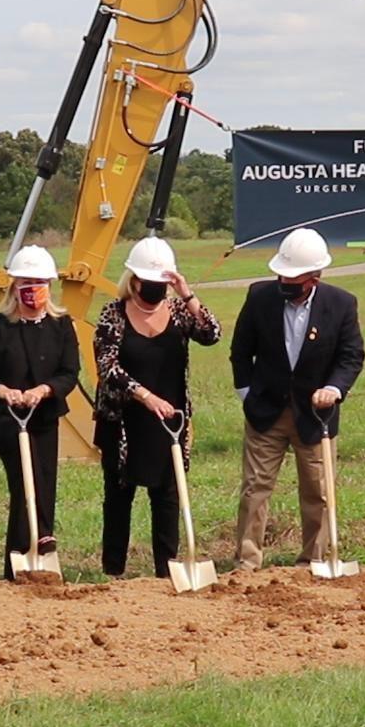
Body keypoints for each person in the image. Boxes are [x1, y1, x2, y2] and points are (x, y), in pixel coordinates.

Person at [228, 227, 365, 571]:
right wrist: (247, 395)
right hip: (266, 412)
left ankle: (313, 559)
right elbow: (241, 352)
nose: (285, 283)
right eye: (282, 276)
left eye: (294, 278)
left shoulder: (341, 304)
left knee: (318, 491)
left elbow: (351, 356)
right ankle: (247, 561)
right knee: (254, 488)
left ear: (315, 277)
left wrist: (334, 389)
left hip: (316, 417)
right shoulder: (259, 297)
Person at [92, 236, 220, 578]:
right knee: (118, 498)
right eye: (150, 284)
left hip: (169, 422)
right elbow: (107, 368)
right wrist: (145, 396)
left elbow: (212, 334)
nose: (156, 290)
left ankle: (168, 570)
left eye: (162, 284)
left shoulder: (178, 312)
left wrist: (187, 294)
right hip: (124, 421)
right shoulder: (112, 314)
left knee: (166, 497)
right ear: (133, 282)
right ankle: (113, 571)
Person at [0, 245, 82, 578]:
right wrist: (2, 390)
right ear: (13, 287)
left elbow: (69, 372)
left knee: (43, 481)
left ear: (50, 285)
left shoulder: (61, 327)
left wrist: (43, 391)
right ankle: (39, 537)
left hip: (43, 414)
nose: (31, 289)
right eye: (24, 282)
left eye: (38, 282)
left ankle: (22, 558)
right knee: (27, 470)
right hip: (3, 417)